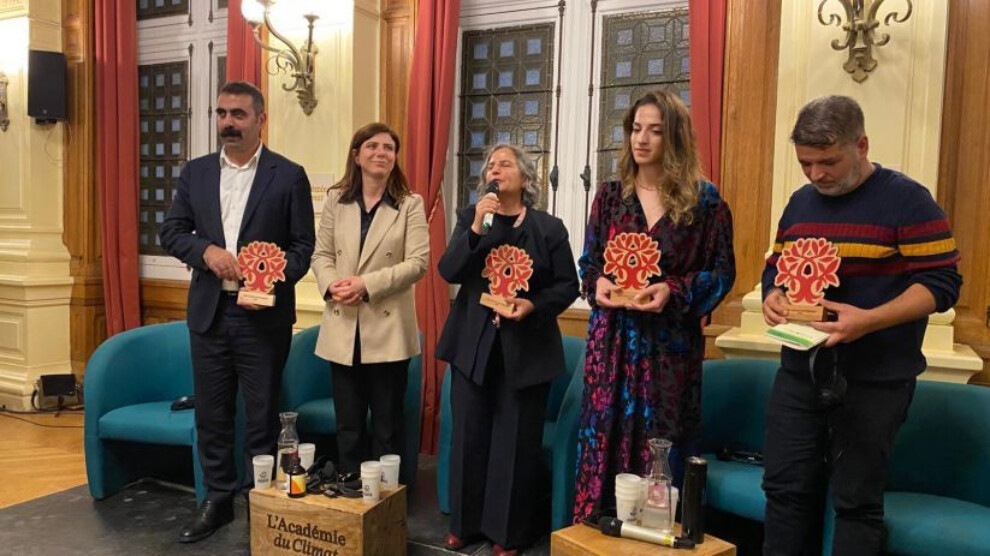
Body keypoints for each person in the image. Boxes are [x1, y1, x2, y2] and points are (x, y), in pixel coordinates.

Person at [761, 95, 962, 555]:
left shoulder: (909, 200)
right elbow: (777, 266)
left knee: (855, 503)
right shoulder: (800, 203)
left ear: (862, 145)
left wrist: (869, 320)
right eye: (805, 163)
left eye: (828, 162)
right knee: (784, 491)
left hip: (874, 380)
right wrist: (773, 294)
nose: (816, 174)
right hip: (800, 374)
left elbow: (943, 283)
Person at [159, 81, 316, 542]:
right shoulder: (196, 173)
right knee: (212, 414)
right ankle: (218, 499)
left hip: (263, 318)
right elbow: (172, 232)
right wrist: (205, 251)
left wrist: (267, 278)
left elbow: (303, 248)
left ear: (260, 119)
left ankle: (259, 501)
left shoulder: (288, 175)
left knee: (262, 414)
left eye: (238, 114)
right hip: (210, 313)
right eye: (222, 113)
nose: (228, 122)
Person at [572, 89, 736, 523]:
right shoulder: (610, 197)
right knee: (604, 444)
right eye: (636, 128)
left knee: (662, 449)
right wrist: (598, 283)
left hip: (669, 353)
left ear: (675, 137)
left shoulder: (706, 202)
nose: (641, 139)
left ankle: (657, 538)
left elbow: (722, 274)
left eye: (655, 131)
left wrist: (673, 290)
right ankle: (598, 535)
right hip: (612, 347)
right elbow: (589, 263)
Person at [437, 144, 580, 555]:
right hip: (473, 346)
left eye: (504, 164)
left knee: (515, 442)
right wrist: (475, 230)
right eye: (490, 166)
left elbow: (567, 286)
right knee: (469, 436)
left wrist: (532, 305)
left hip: (526, 349)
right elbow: (449, 270)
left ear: (525, 177)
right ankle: (464, 525)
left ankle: (507, 533)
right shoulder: (471, 218)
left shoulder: (548, 228)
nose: (494, 171)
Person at [310, 122, 428, 475]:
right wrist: (332, 286)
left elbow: (418, 263)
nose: (381, 153)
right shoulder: (336, 199)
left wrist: (365, 284)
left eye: (389, 148)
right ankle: (350, 489)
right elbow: (321, 254)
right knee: (347, 424)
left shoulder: (410, 203)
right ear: (357, 155)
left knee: (387, 425)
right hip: (343, 324)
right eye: (372, 146)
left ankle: (385, 497)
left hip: (387, 329)